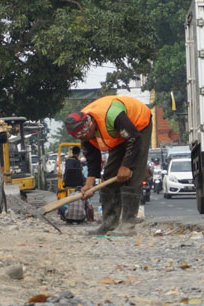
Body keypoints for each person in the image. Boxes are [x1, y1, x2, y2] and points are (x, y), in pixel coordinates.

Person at [64, 95, 152, 236]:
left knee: (132, 175)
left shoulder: (112, 115)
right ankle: (109, 224)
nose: (84, 139)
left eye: (84, 136)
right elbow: (93, 158)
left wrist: (126, 165)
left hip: (139, 126)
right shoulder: (84, 131)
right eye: (80, 138)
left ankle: (128, 226)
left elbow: (134, 139)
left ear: (90, 125)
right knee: (110, 176)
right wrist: (89, 184)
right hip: (119, 135)